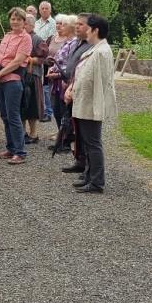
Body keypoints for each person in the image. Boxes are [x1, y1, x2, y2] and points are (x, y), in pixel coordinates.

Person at [66, 14, 117, 193]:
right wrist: (72, 90)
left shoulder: (102, 52)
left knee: (93, 143)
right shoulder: (95, 50)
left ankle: (97, 182)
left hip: (91, 104)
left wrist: (75, 92)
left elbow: (98, 82)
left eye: (88, 28)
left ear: (96, 30)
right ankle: (89, 176)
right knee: (87, 142)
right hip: (85, 102)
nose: (85, 31)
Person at [0, 7, 33, 165]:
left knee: (13, 116)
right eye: (13, 19)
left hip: (12, 80)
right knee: (4, 116)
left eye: (18, 19)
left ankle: (20, 152)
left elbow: (17, 61)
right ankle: (11, 148)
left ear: (24, 22)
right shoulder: (7, 36)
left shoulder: (26, 38)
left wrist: (0, 74)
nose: (15, 22)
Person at [59, 14, 92, 172]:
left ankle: (87, 165)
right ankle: (79, 161)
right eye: (76, 24)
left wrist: (72, 85)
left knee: (84, 131)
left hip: (79, 91)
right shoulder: (76, 43)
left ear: (90, 27)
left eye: (81, 24)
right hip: (69, 87)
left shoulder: (91, 46)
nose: (77, 26)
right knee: (75, 128)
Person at [46, 15, 79, 133]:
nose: (60, 27)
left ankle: (66, 138)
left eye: (64, 25)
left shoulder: (74, 43)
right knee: (57, 111)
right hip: (57, 82)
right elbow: (59, 60)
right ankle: (61, 136)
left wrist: (57, 74)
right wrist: (52, 68)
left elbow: (72, 64)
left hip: (64, 82)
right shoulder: (67, 42)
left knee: (64, 112)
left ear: (71, 27)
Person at [22, 14, 48, 144]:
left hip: (32, 76)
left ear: (32, 25)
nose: (23, 26)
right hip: (19, 76)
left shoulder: (37, 39)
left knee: (32, 106)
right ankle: (22, 133)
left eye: (26, 23)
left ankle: (33, 134)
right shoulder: (18, 37)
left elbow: (44, 58)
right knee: (20, 105)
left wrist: (30, 60)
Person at [35, 1, 56, 122]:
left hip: (47, 58)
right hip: (37, 57)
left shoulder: (54, 24)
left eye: (46, 8)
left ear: (50, 10)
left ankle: (48, 111)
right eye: (42, 8)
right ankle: (40, 110)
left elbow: (49, 40)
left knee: (46, 86)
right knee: (39, 84)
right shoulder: (36, 23)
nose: (44, 10)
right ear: (39, 10)